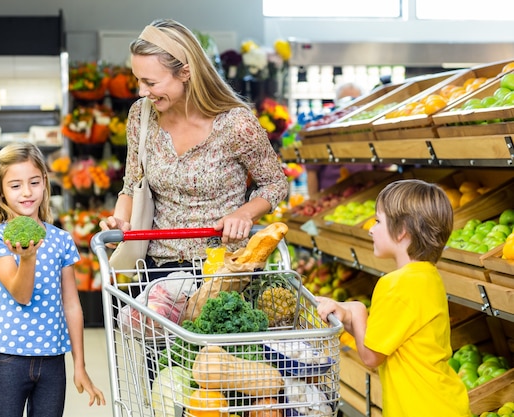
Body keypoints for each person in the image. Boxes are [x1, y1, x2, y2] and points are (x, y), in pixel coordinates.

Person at [99, 18, 288, 271]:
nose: (142, 91)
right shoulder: (141, 116)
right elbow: (132, 186)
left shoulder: (235, 124)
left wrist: (245, 213)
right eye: (138, 80)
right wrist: (120, 222)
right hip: (158, 268)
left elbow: (275, 183)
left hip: (225, 270)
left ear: (185, 73)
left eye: (151, 83)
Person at [316, 179, 471, 417]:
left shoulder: (395, 284)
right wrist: (346, 315)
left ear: (402, 231)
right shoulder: (428, 277)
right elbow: (385, 338)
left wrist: (356, 310)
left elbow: (370, 356)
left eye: (378, 221)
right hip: (444, 403)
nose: (370, 228)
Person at [0, 142, 106, 417]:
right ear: (0, 190)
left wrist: (79, 365)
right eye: (15, 185)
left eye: (34, 182)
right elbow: (21, 295)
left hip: (52, 358)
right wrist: (28, 257)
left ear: (45, 183)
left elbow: (72, 305)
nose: (26, 192)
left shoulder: (61, 239)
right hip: (9, 356)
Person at [305, 82, 372, 197]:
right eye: (345, 101)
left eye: (356, 101)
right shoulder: (323, 130)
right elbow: (312, 172)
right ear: (336, 104)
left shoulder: (367, 128)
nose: (350, 106)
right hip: (331, 195)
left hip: (366, 193)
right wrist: (313, 201)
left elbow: (383, 168)